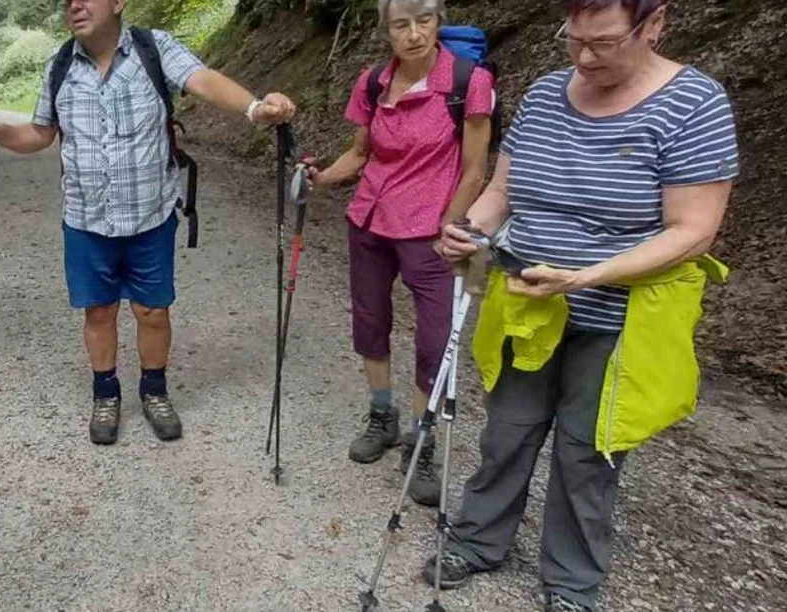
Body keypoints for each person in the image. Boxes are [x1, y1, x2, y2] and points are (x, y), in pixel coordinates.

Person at [431, 1, 738, 610]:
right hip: (528, 300)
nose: (584, 56)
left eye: (603, 42)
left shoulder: (694, 105)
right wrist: (470, 231)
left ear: (654, 24)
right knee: (508, 430)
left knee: (587, 448)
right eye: (574, 40)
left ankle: (571, 581)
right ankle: (477, 541)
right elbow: (501, 192)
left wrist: (583, 277)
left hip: (623, 316)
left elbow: (692, 230)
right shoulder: (546, 95)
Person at [0, 0, 295, 445]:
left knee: (152, 311)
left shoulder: (152, 49)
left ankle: (154, 391)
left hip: (149, 216)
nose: (74, 5)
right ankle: (106, 394)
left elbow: (203, 80)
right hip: (85, 219)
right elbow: (40, 133)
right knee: (98, 310)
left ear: (118, 3)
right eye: (67, 1)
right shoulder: (60, 64)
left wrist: (255, 109)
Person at [303, 0, 494, 507]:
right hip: (370, 219)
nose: (413, 34)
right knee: (370, 321)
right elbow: (361, 152)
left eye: (424, 21)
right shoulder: (373, 82)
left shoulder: (467, 81)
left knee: (435, 339)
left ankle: (421, 438)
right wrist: (320, 178)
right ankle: (382, 414)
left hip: (431, 229)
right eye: (401, 25)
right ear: (386, 31)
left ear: (439, 23)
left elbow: (476, 168)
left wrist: (452, 223)